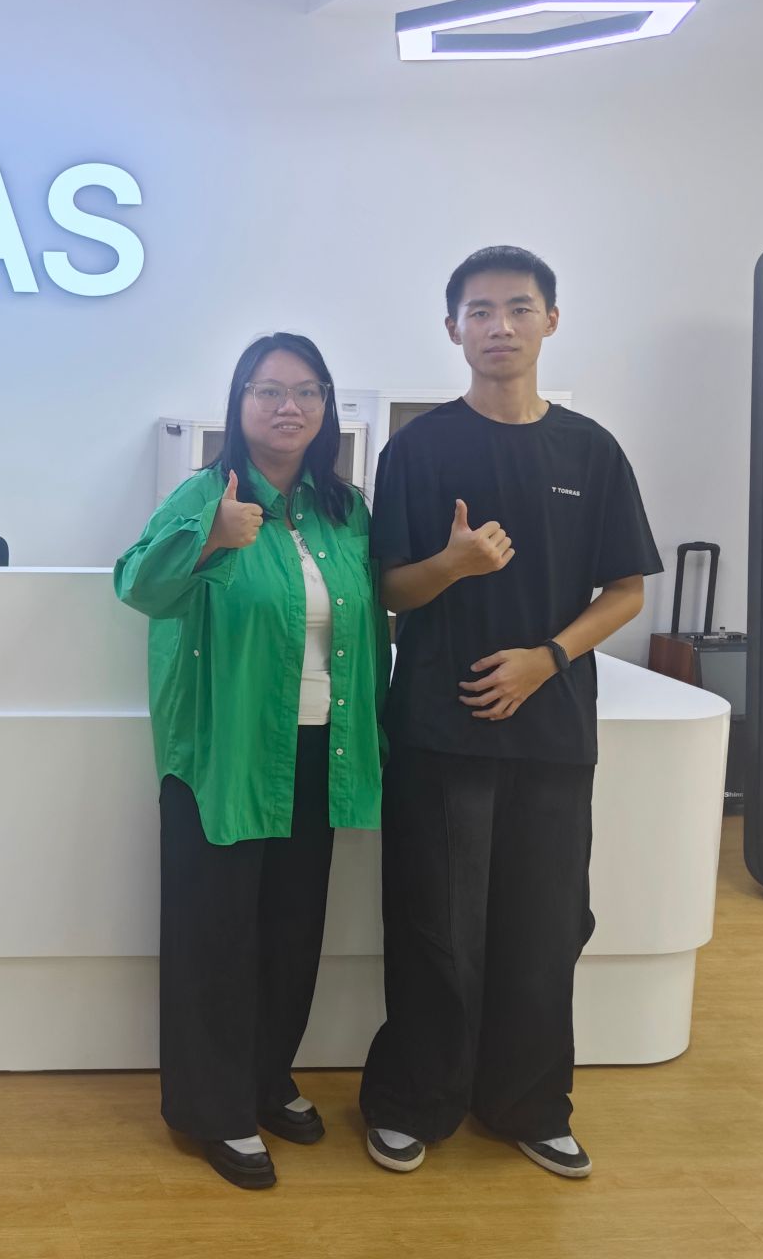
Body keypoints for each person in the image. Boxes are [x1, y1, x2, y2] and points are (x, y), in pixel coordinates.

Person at [358, 246, 661, 1181]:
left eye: (519, 308)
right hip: (438, 728)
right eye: (480, 311)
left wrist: (548, 658)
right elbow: (388, 592)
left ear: (550, 321)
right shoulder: (419, 450)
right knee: (433, 926)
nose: (500, 326)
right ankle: (413, 1101)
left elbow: (627, 590)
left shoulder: (590, 450)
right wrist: (453, 565)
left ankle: (529, 1104)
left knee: (545, 927)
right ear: (453, 328)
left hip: (554, 728)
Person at [114, 333, 388, 1190]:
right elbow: (136, 584)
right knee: (216, 935)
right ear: (239, 405)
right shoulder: (208, 494)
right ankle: (215, 1109)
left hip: (318, 747)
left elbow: (370, 616)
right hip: (223, 754)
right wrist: (211, 537)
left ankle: (268, 1079)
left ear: (326, 407)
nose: (287, 406)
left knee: (292, 930)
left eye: (306, 391)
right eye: (268, 390)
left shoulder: (344, 509)